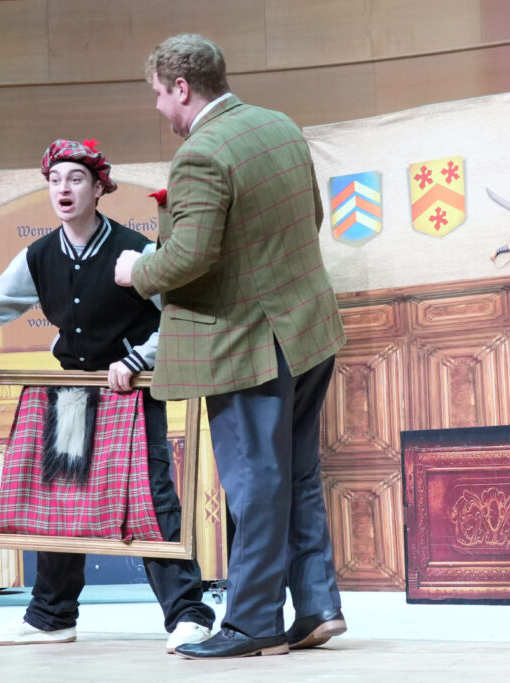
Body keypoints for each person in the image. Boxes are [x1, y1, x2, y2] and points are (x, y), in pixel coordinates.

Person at [0, 139, 214, 653]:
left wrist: (140, 359)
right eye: (55, 180)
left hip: (130, 391)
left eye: (76, 179)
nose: (64, 188)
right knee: (58, 499)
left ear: (98, 188)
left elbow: (180, 319)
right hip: (72, 393)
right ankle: (51, 616)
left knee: (151, 499)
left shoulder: (136, 251)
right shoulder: (39, 255)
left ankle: (188, 614)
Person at [114, 34, 347, 659]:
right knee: (296, 473)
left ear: (182, 87)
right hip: (308, 331)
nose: (159, 108)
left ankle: (252, 623)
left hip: (248, 346)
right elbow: (312, 217)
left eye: (159, 95)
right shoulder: (279, 126)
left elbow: (189, 257)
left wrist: (137, 270)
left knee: (255, 484)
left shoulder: (200, 154)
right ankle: (317, 606)